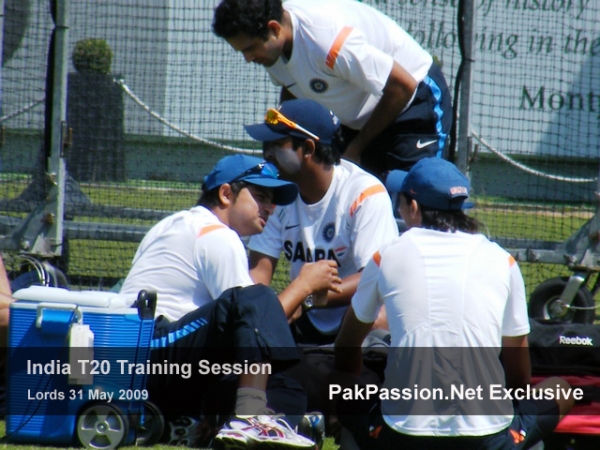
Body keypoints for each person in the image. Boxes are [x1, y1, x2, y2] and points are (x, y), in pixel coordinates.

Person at [333, 157, 574, 449]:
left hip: (402, 436)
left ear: (414, 207)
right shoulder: (503, 260)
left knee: (339, 385)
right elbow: (518, 373)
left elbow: (347, 348)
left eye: (401, 201)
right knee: (559, 389)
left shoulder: (387, 256)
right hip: (488, 437)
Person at [120, 154, 339, 449]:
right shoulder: (218, 235)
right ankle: (250, 418)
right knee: (256, 296)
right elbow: (253, 318)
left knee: (284, 386)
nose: (270, 208)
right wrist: (303, 286)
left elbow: (258, 327)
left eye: (272, 200)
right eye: (260, 196)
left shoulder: (173, 224)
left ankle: (206, 427)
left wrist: (306, 297)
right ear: (226, 194)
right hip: (155, 351)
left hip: (141, 361)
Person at [212, 0, 452, 177]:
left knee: (416, 199)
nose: (248, 58)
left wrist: (355, 149)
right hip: (362, 121)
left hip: (414, 102)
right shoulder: (273, 49)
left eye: (250, 48)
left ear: (274, 29)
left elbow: (402, 85)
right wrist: (284, 140)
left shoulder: (327, 41)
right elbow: (293, 88)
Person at [244, 99, 398, 346]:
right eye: (266, 144)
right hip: (305, 316)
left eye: (276, 144)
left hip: (357, 318)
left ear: (307, 148)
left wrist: (306, 296)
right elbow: (259, 272)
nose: (267, 153)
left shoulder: (363, 193)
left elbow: (374, 277)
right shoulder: (277, 194)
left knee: (381, 318)